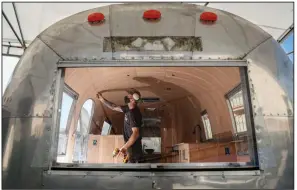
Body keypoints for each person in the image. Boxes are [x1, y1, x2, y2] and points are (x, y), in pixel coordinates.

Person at [97, 89, 143, 163]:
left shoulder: (134, 113)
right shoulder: (127, 109)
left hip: (134, 150)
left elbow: (136, 133)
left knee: (134, 170)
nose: (126, 97)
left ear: (133, 100)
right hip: (130, 148)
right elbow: (113, 107)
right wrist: (102, 100)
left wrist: (124, 148)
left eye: (129, 96)